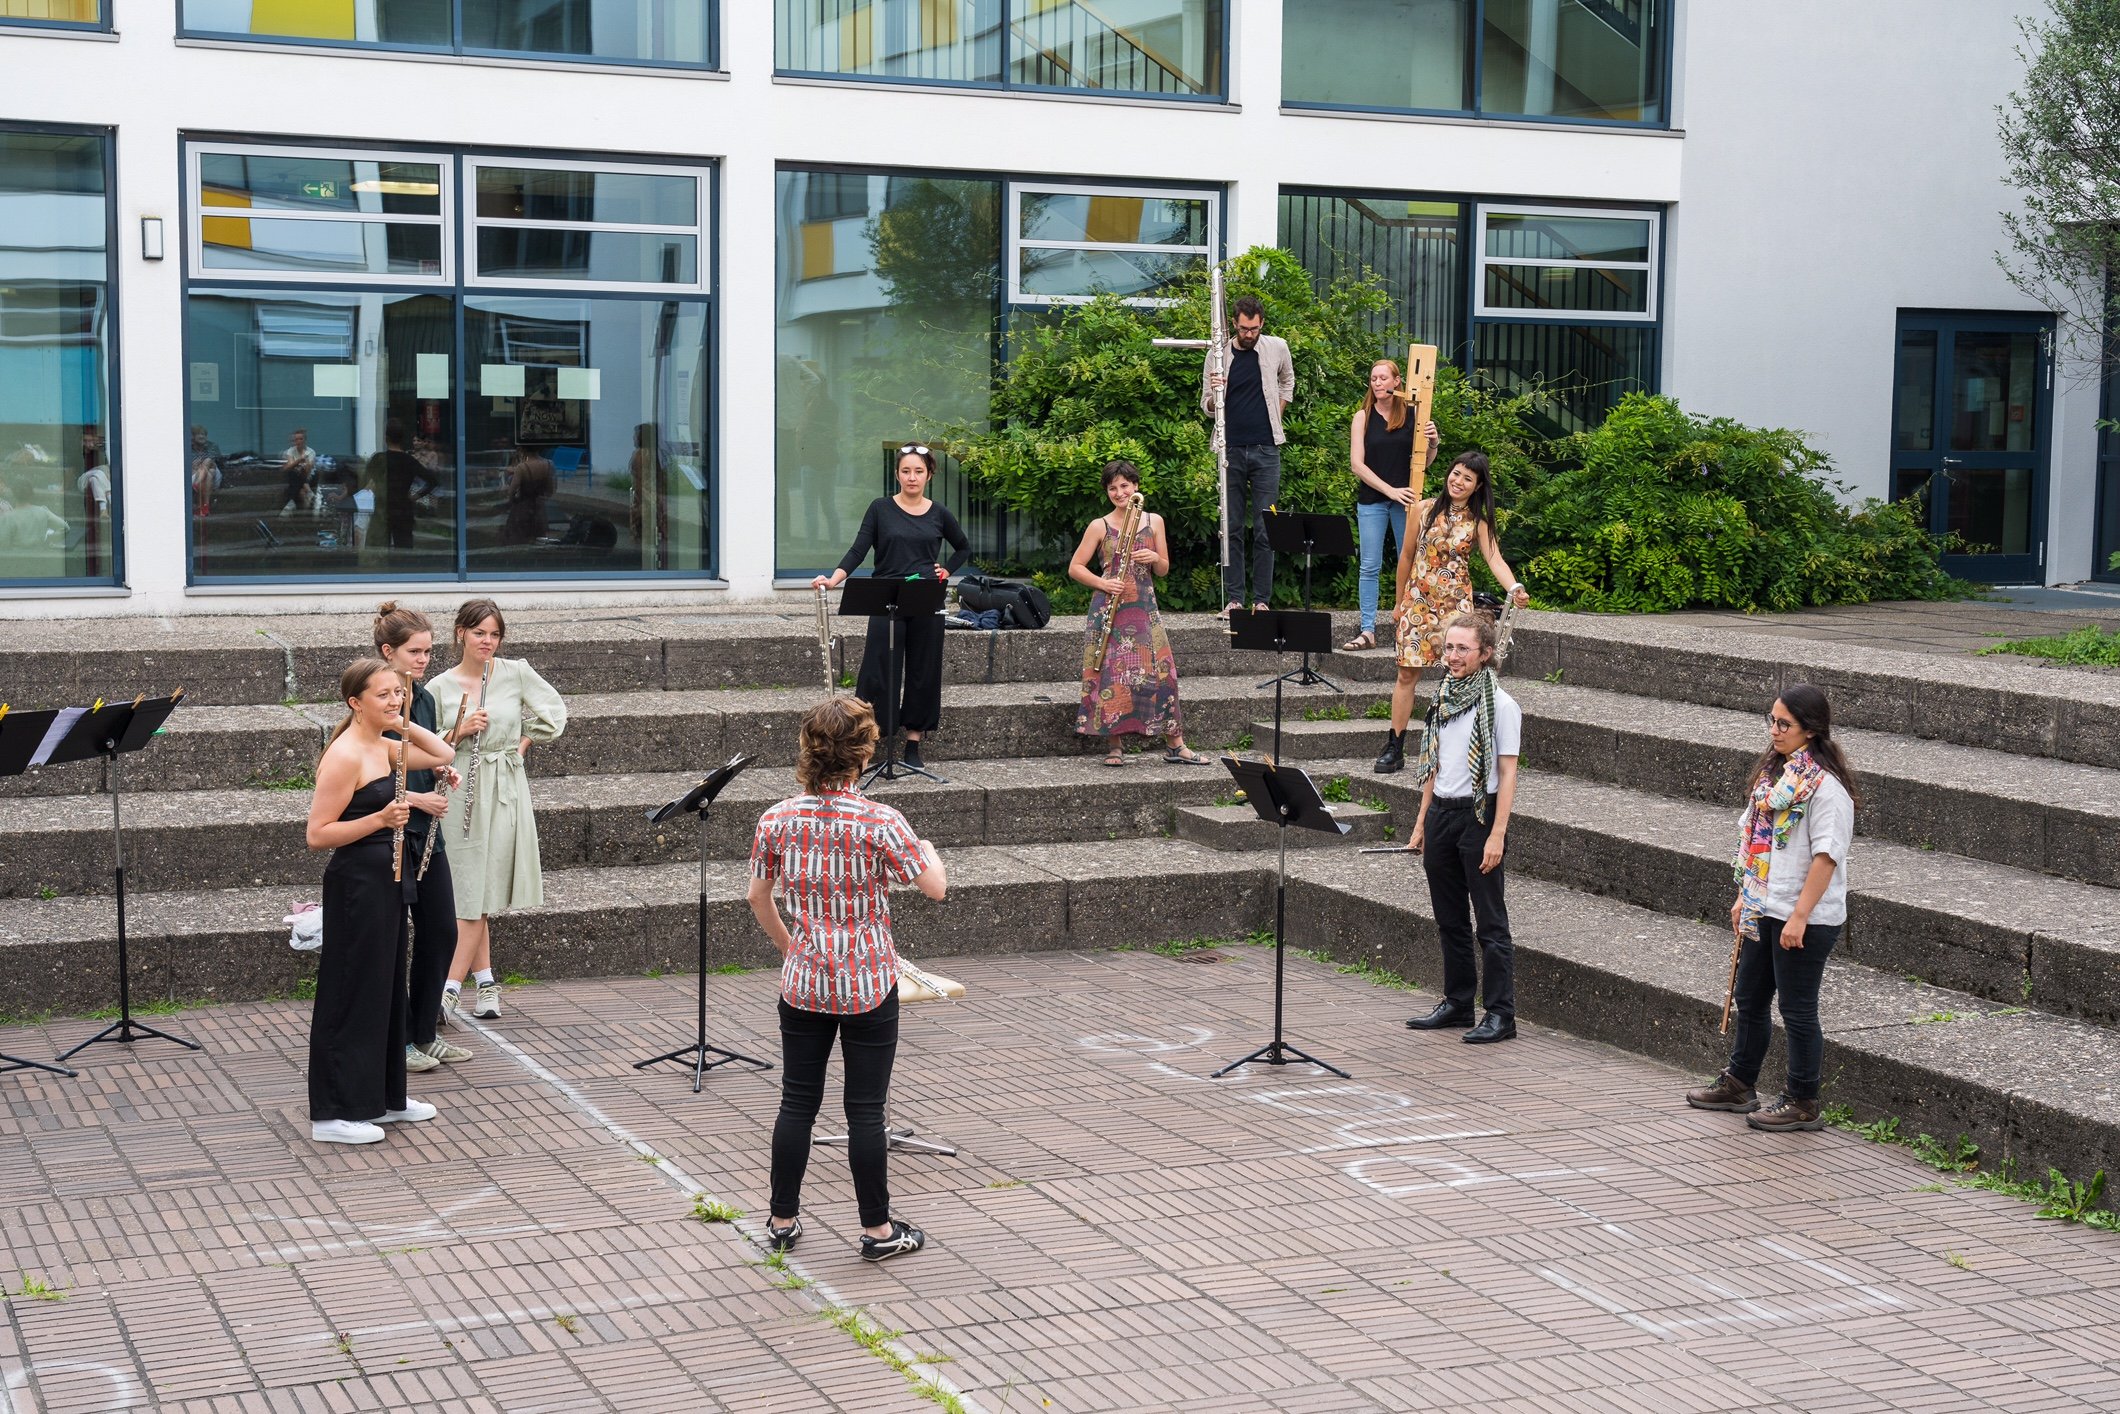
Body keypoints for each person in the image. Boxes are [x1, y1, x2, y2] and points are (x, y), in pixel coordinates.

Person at [748, 696, 946, 1263]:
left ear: (808, 750)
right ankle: (878, 1231)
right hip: (867, 978)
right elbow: (935, 888)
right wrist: (930, 851)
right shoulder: (881, 820)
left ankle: (782, 1219)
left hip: (804, 979)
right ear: (863, 753)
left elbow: (758, 898)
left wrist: (792, 949)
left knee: (796, 1103)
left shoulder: (777, 818)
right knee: (865, 1108)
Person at [1687, 684, 1860, 1132]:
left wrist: (1799, 916)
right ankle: (1740, 1083)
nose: (1774, 730)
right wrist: (1746, 895)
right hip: (1765, 906)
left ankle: (1804, 1100)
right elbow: (1753, 844)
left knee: (1798, 1009)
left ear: (1810, 730)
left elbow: (1826, 857)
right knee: (1749, 996)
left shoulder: (1827, 789)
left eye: (1784, 723)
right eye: (1772, 720)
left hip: (1805, 916)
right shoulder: (1774, 779)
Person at [304, 658, 455, 1144]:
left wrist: (400, 719)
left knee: (387, 987)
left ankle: (385, 1097)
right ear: (355, 703)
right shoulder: (346, 754)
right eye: (383, 695)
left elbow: (441, 751)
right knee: (351, 991)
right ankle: (332, 1113)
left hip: (389, 878)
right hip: (356, 883)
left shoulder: (386, 744)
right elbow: (318, 834)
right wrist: (381, 818)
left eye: (399, 692)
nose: (395, 700)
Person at [429, 599, 568, 1024]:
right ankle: (483, 982)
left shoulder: (515, 672)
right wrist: (459, 731)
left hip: (504, 785)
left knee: (480, 888)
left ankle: (449, 991)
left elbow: (554, 714)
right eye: (479, 633)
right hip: (459, 788)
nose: (487, 641)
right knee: (469, 891)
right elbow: (425, 743)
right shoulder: (438, 687)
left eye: (494, 634)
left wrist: (520, 747)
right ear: (460, 634)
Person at [811, 444, 969, 772]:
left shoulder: (939, 512)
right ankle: (873, 741)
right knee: (878, 670)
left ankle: (913, 743)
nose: (912, 477)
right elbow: (858, 549)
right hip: (886, 598)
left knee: (924, 670)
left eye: (919, 471)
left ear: (929, 474)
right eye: (906, 471)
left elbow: (963, 547)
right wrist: (834, 579)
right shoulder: (880, 509)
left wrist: (947, 570)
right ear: (897, 473)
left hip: (926, 597)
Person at [1402, 612, 1522, 1045]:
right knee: (1449, 919)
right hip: (1441, 816)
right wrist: (1421, 821)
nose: (1452, 657)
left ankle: (1501, 1014)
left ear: (1485, 654)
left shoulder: (1502, 706)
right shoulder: (1443, 699)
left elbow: (1507, 773)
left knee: (1490, 923)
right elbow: (1433, 765)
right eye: (1448, 647)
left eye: (1462, 649)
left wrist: (1497, 833)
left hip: (1478, 815)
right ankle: (1457, 1003)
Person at [1373, 452, 1530, 774]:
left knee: (1456, 675)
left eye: (1467, 479)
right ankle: (1395, 745)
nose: (1458, 482)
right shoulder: (1423, 509)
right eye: (1456, 474)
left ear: (1477, 486)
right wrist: (1399, 601)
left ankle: (1450, 747)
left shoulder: (1479, 522)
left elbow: (1495, 559)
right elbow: (1405, 556)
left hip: (1455, 608)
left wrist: (1514, 588)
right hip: (1417, 602)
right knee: (1406, 673)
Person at [372, 602, 473, 1073]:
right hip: (388, 835)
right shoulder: (375, 699)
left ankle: (423, 1032)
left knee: (442, 930)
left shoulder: (425, 699)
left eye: (429, 652)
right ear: (387, 651)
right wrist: (416, 802)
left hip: (425, 833)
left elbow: (421, 756)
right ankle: (397, 1042)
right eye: (415, 651)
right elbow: (367, 779)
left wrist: (440, 770)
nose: (423, 660)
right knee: (392, 942)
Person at [1069, 460, 1212, 767]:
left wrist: (1155, 556)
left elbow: (1163, 569)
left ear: (1135, 486)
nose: (1119, 492)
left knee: (1164, 674)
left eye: (1124, 485)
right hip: (1110, 606)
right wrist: (1103, 582)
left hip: (1144, 605)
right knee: (1110, 674)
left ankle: (1176, 745)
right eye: (1112, 488)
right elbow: (1075, 567)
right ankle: (1115, 746)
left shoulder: (1154, 521)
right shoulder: (1100, 525)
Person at [1201, 294, 1294, 616]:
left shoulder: (1277, 347)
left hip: (1267, 449)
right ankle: (1235, 599)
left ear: (1261, 324)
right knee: (1232, 527)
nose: (1249, 334)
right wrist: (1216, 393)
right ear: (1234, 324)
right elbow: (1206, 407)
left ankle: (1262, 601)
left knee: (1267, 525)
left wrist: (1277, 414)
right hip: (1230, 449)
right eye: (1243, 328)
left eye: (1254, 328)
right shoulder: (1217, 355)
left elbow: (1287, 381)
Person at [1342, 360, 1438, 651]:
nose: (1377, 383)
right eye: (1373, 378)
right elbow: (1357, 465)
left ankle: (1407, 628)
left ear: (1398, 382)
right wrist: (1390, 491)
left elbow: (1423, 463)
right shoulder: (1363, 416)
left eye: (1383, 378)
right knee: (1369, 566)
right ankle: (1367, 630)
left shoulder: (1414, 415)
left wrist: (1433, 443)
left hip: (1406, 502)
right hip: (1373, 500)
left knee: (1407, 564)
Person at [370, 418, 432, 551]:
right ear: (402, 438)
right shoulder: (409, 461)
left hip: (383, 508)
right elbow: (432, 481)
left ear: (386, 438)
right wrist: (415, 496)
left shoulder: (378, 459)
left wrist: (376, 486)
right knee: (404, 551)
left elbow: (364, 481)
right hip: (403, 508)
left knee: (377, 551)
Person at [499, 451, 554, 546]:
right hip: (538, 507)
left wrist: (511, 499)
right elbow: (550, 490)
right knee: (539, 536)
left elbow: (511, 491)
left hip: (522, 507)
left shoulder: (521, 469)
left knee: (517, 537)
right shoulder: (547, 465)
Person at [77, 429, 111, 578]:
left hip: (95, 481)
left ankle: (104, 509)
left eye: (91, 440)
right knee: (99, 473)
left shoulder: (102, 452)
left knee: (96, 478)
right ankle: (110, 503)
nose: (89, 443)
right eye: (86, 440)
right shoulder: (79, 455)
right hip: (81, 481)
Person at [278, 428, 317, 517]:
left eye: (301, 439)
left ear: (305, 440)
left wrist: (301, 464)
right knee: (301, 491)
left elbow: (308, 471)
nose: (298, 441)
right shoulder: (291, 451)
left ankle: (290, 504)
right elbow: (288, 467)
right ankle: (304, 517)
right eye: (296, 439)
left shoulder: (311, 452)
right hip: (296, 479)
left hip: (308, 477)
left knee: (297, 473)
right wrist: (299, 460)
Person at [188, 426, 223, 520]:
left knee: (208, 462)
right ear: (193, 437)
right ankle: (206, 506)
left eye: (203, 434)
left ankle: (197, 483)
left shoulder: (212, 446)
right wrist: (191, 466)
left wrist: (201, 463)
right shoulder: (187, 449)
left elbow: (216, 460)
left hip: (215, 475)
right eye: (199, 434)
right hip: (196, 475)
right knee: (208, 473)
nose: (202, 437)